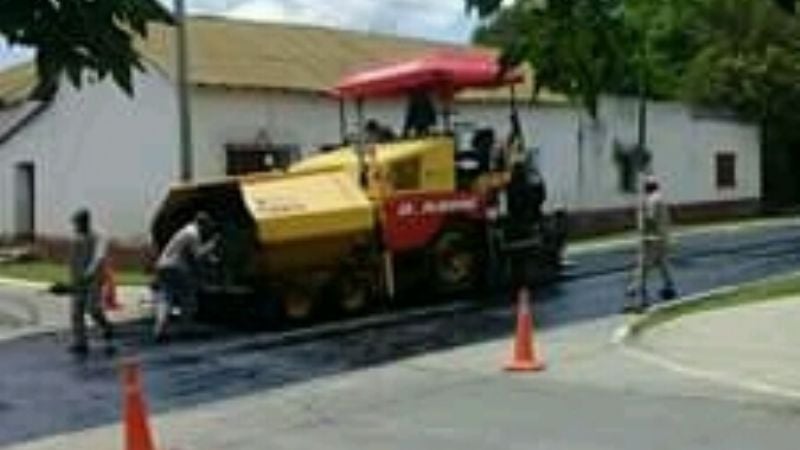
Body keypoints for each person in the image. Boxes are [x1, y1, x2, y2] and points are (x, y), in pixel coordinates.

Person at [152, 211, 219, 341]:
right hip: (176, 267)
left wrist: (209, 257)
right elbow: (197, 255)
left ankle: (159, 330)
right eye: (207, 226)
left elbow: (189, 252)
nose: (207, 229)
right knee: (189, 298)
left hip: (162, 266)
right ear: (202, 223)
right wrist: (212, 245)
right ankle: (186, 329)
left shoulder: (184, 231)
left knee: (166, 299)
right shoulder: (193, 234)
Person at [624, 175, 677, 313]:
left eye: (644, 187)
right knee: (662, 263)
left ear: (647, 187)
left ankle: (640, 297)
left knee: (643, 266)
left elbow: (650, 218)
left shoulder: (651, 200)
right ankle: (669, 287)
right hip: (663, 238)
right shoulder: (661, 199)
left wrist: (643, 233)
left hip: (651, 239)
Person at [68, 209, 115, 356]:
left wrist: (88, 273)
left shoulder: (100, 236)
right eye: (75, 223)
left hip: (95, 278)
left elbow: (98, 258)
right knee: (76, 311)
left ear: (85, 221)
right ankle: (80, 343)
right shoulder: (77, 238)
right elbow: (74, 261)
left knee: (92, 309)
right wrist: (73, 280)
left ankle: (106, 327)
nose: (75, 226)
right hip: (79, 278)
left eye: (77, 223)